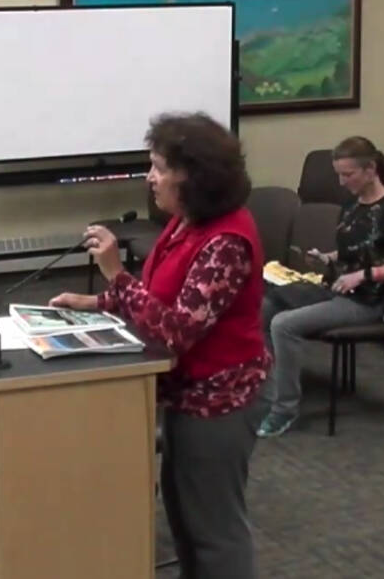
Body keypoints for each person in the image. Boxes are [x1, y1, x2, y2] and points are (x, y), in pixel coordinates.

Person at [49, 113, 267, 579]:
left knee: (215, 529)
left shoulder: (225, 240)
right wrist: (95, 302)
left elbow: (175, 331)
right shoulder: (186, 222)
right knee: (185, 519)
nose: (150, 178)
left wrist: (114, 274)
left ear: (192, 176)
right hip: (184, 395)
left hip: (220, 399)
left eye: (158, 167)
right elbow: (158, 296)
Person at [256, 136, 384, 437]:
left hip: (368, 301)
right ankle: (266, 397)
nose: (342, 181)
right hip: (339, 287)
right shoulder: (353, 205)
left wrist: (363, 275)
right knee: (266, 307)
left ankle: (284, 410)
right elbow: (354, 252)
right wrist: (327, 258)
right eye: (339, 174)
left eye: (348, 174)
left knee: (283, 324)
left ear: (371, 169)